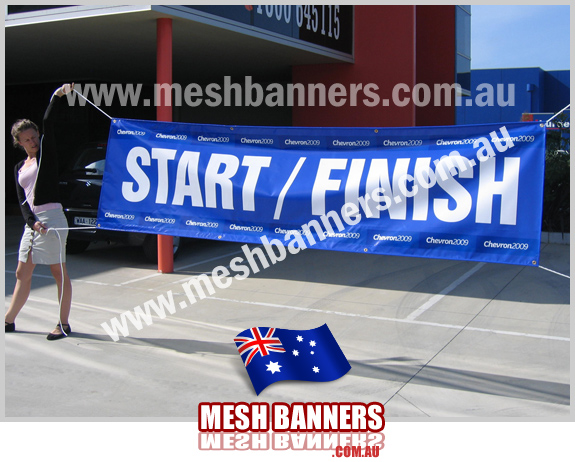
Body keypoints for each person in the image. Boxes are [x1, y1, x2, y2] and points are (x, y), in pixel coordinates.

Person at [6, 83, 75, 340]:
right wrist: (32, 223)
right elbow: (23, 202)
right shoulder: (19, 168)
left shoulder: (46, 154)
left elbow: (48, 123)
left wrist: (56, 97)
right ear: (19, 142)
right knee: (22, 272)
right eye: (27, 139)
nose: (33, 141)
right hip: (34, 224)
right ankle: (9, 320)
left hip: (53, 218)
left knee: (59, 273)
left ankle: (63, 324)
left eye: (35, 136)